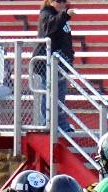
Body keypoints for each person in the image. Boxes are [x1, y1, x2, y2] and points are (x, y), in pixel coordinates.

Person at [33, 0, 75, 132]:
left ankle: (60, 125)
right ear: (50, 2)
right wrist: (65, 15)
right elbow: (50, 27)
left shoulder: (59, 17)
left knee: (59, 96)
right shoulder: (46, 14)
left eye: (64, 1)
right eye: (58, 1)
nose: (62, 4)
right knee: (51, 95)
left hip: (60, 62)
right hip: (48, 63)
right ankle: (48, 123)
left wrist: (70, 55)